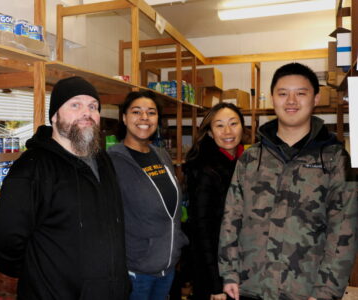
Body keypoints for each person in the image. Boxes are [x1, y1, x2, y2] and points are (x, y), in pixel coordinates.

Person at [218, 63, 358, 300]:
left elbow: (344, 229)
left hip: (305, 291)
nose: (291, 101)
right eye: (283, 93)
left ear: (315, 98)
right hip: (250, 287)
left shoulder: (335, 159)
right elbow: (232, 217)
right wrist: (229, 273)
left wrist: (326, 291)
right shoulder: (252, 157)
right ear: (273, 98)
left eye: (300, 93)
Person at [0, 76, 130, 300]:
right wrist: (39, 275)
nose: (87, 112)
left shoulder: (103, 160)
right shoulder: (33, 167)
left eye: (93, 106)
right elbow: (3, 240)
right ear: (54, 116)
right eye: (75, 105)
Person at [108, 91, 188, 300]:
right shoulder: (111, 161)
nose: (144, 117)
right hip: (135, 272)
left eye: (151, 112)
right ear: (124, 118)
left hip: (167, 268)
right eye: (136, 112)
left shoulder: (161, 155)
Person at [183, 102, 246, 300]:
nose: (228, 131)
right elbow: (201, 230)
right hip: (215, 273)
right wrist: (216, 285)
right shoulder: (205, 169)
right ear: (210, 132)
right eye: (219, 125)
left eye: (233, 123)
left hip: (240, 267)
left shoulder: (244, 161)